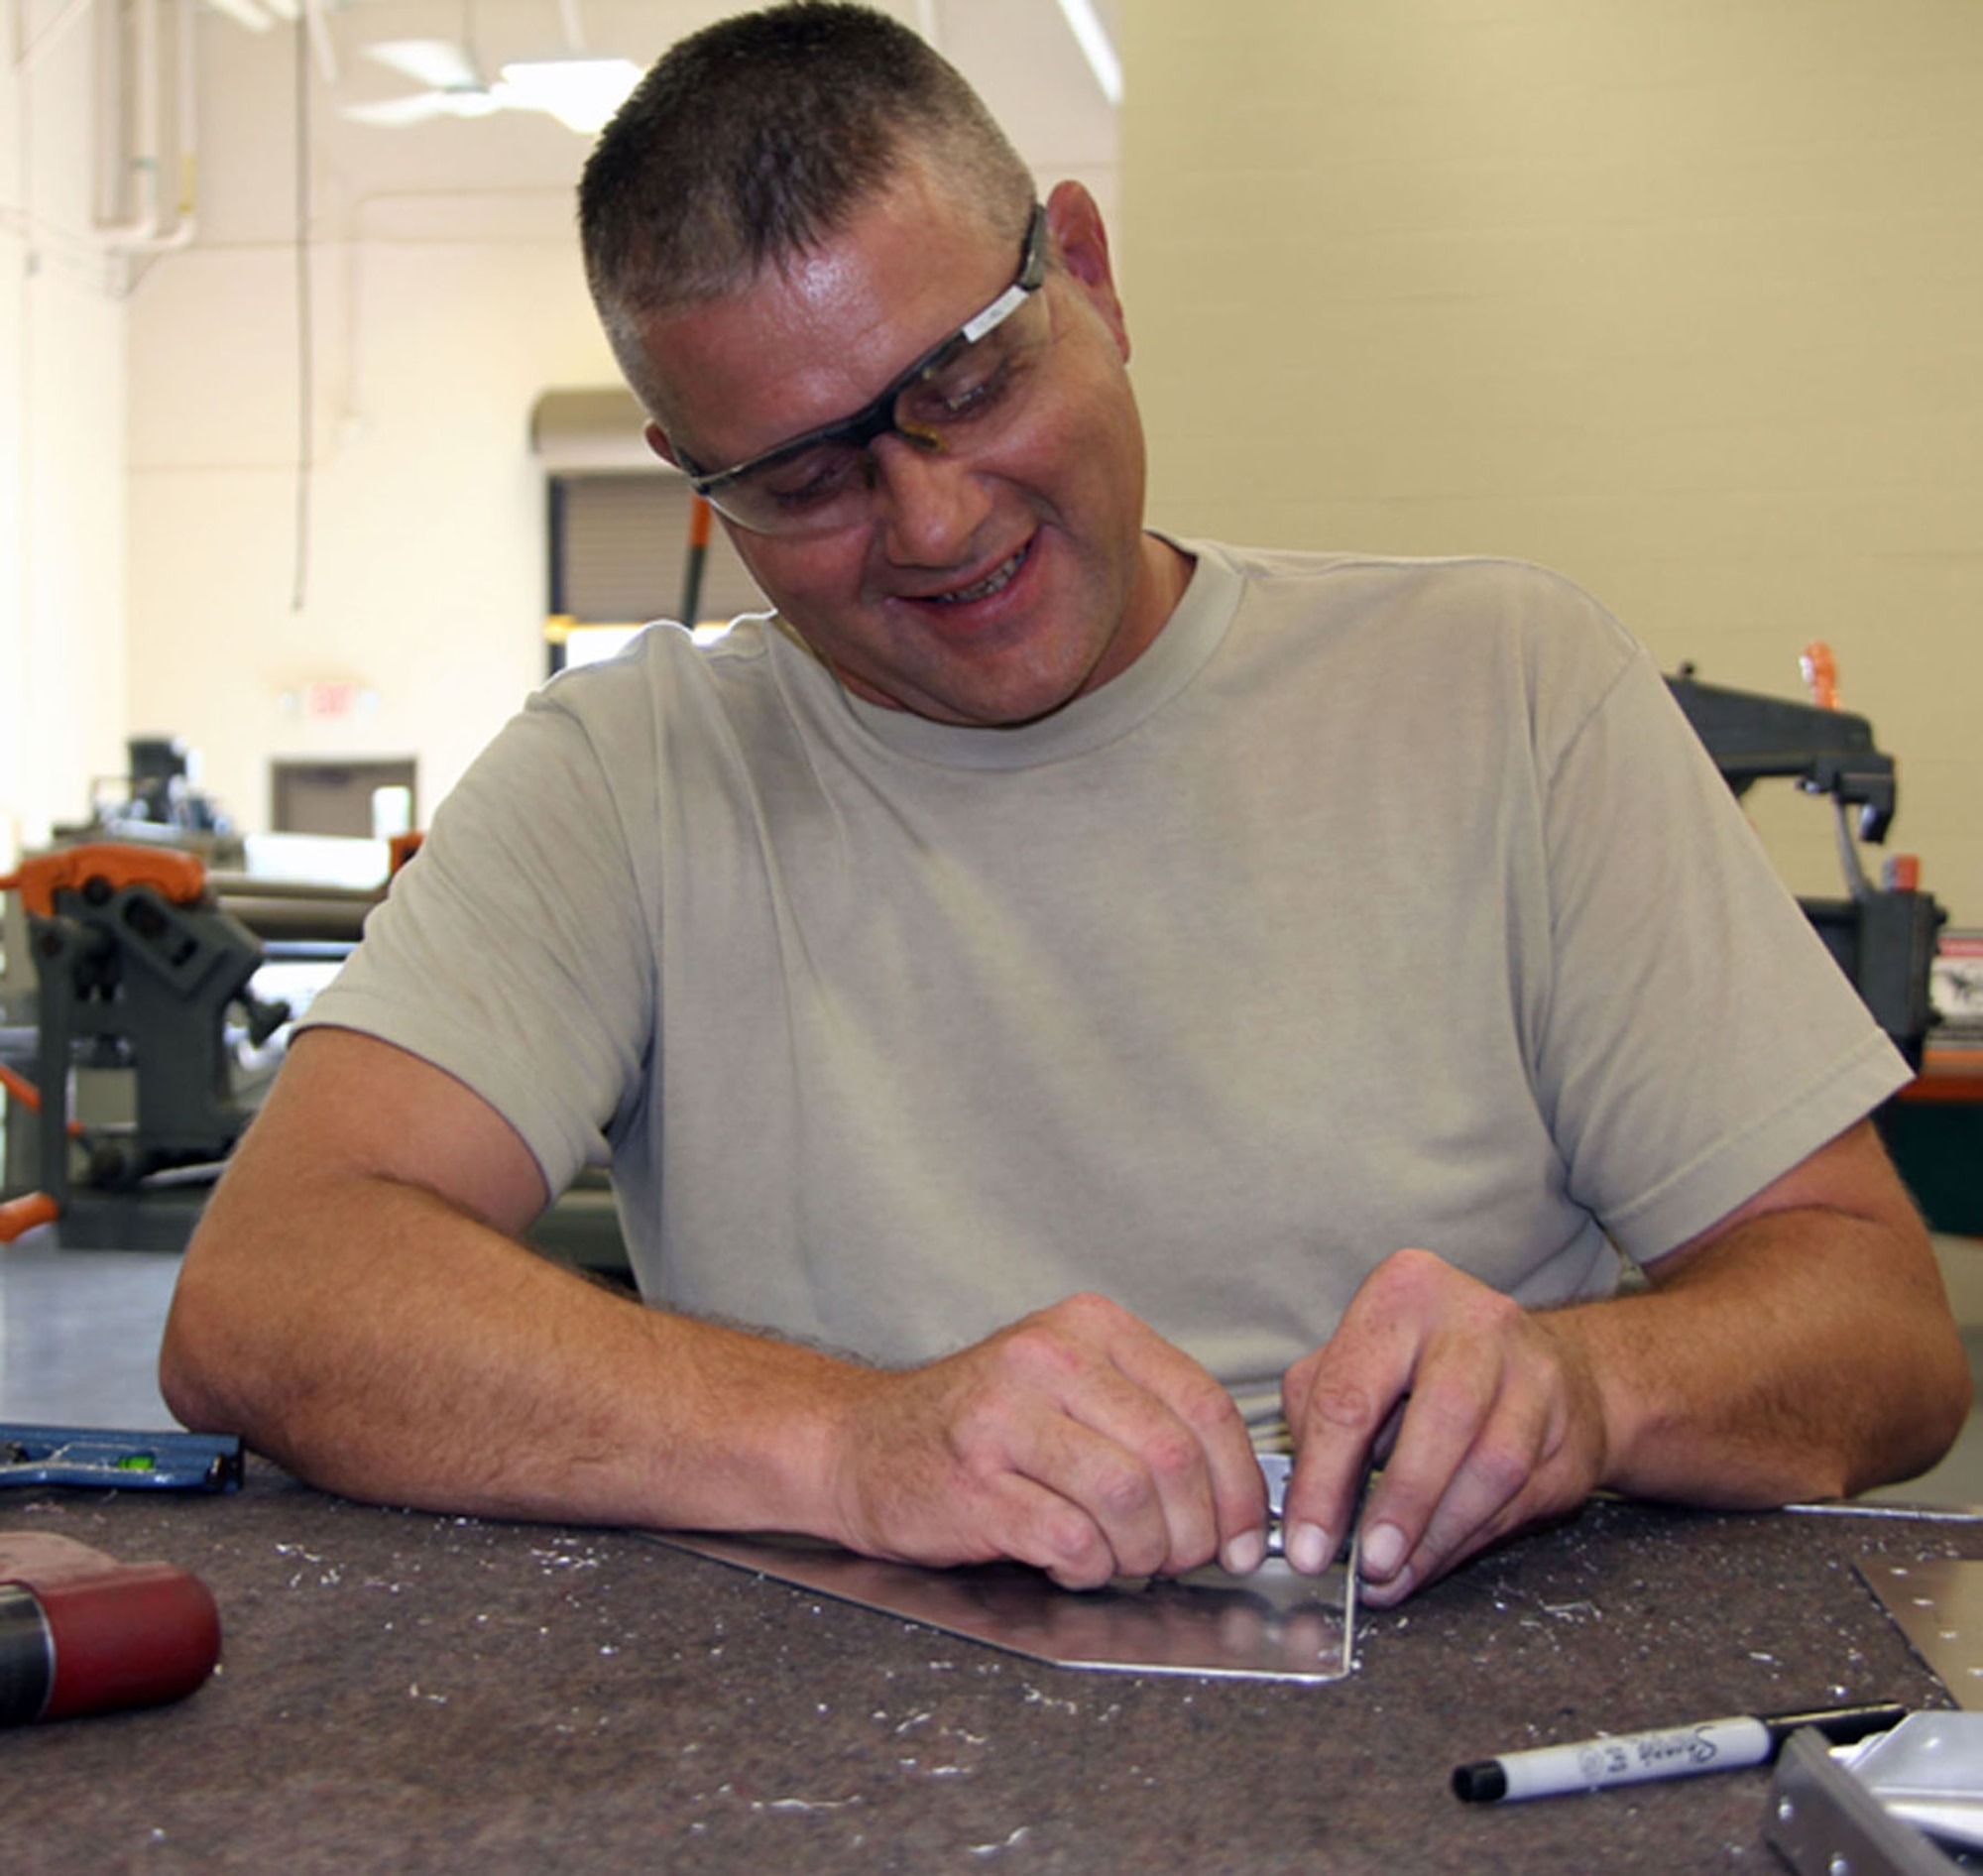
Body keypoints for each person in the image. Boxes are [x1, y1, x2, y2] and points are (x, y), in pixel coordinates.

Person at [160, 1, 1968, 1608]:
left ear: (1087, 274)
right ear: (694, 484)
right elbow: (272, 1298)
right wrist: (850, 1447)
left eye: (965, 378)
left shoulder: (1504, 682)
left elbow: (1880, 1334)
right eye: (803, 474)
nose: (933, 523)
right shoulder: (629, 774)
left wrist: (1591, 1390)